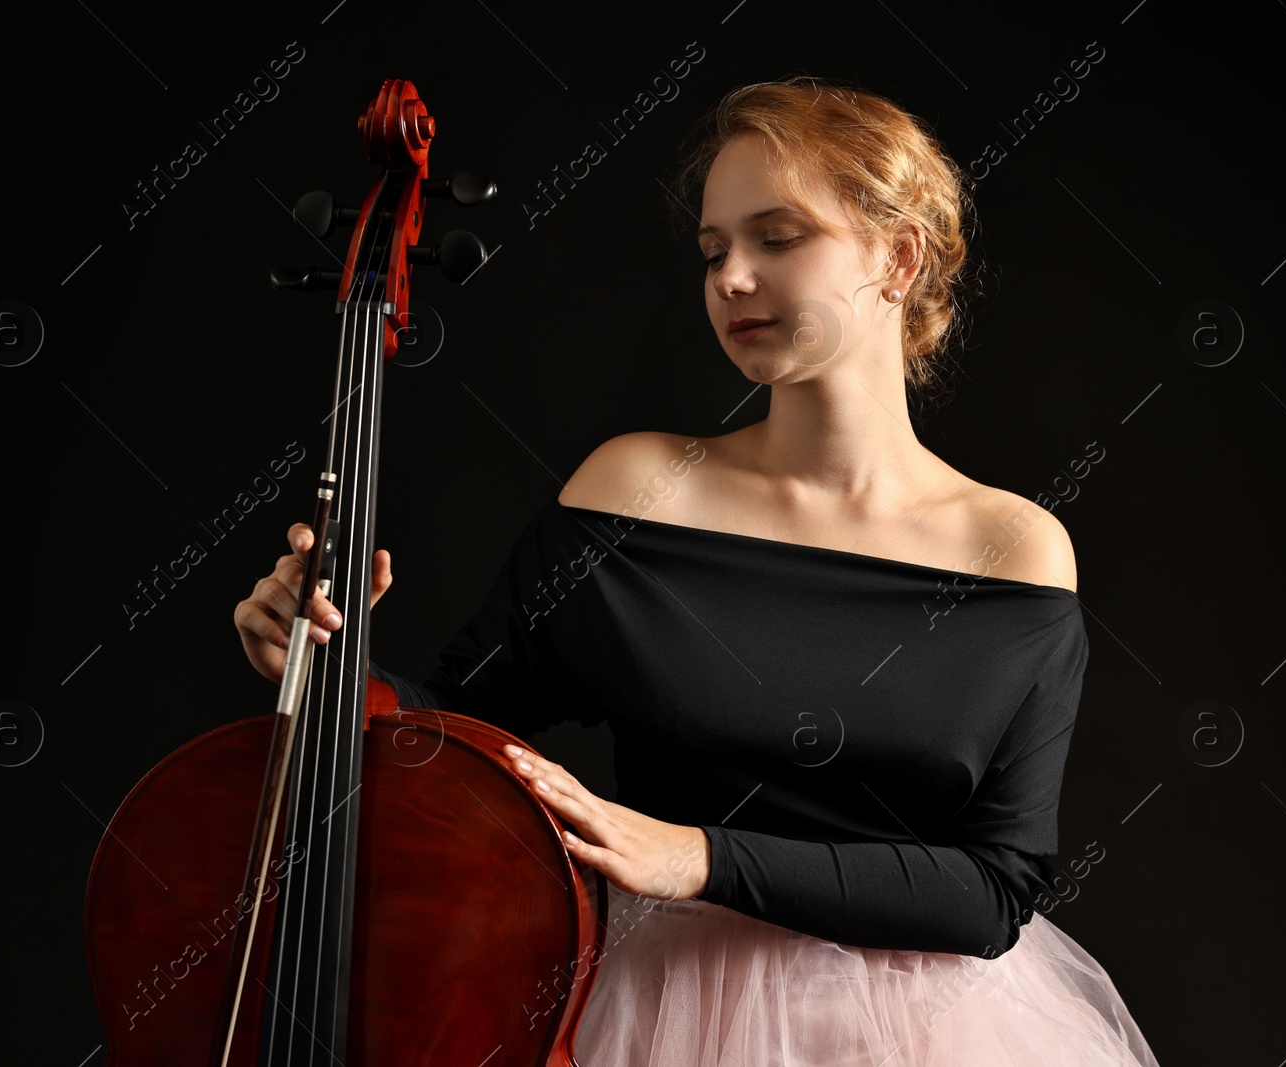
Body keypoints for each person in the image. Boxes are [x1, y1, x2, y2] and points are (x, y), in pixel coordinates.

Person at [235, 77, 1158, 1066]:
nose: (731, 278)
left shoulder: (1012, 548)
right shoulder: (637, 491)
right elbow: (455, 734)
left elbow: (991, 888)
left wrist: (700, 855)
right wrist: (323, 662)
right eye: (714, 249)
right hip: (665, 1019)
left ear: (898, 257)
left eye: (777, 237)